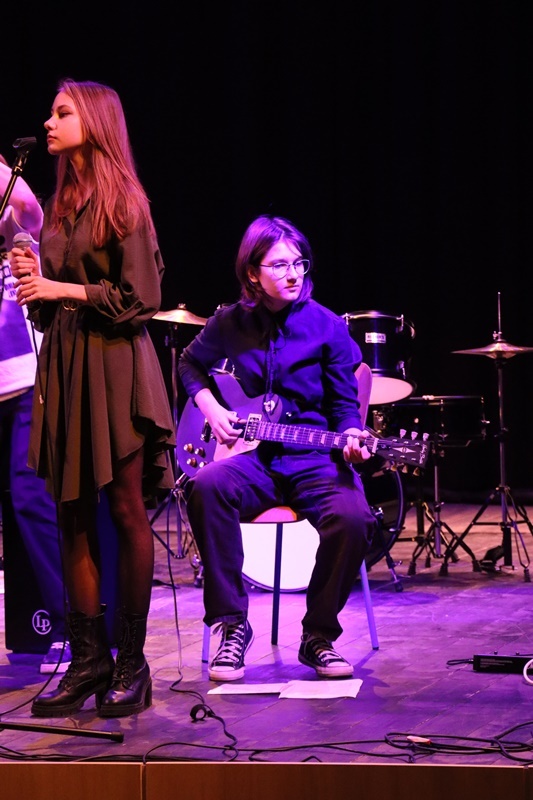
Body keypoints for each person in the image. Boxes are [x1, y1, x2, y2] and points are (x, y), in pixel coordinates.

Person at [10, 78, 175, 718]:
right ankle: (88, 663)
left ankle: (132, 664)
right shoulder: (60, 204)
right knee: (71, 514)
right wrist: (35, 282)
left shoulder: (125, 202)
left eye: (62, 113)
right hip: (67, 365)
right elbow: (51, 307)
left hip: (115, 366)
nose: (48, 123)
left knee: (126, 510)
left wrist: (62, 290)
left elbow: (141, 300)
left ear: (96, 122)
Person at [178, 214, 378, 681]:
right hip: (256, 459)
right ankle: (233, 626)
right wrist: (211, 408)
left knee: (354, 518)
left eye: (299, 263)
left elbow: (344, 404)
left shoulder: (327, 326)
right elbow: (190, 363)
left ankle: (318, 635)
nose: (293, 274)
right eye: (280, 265)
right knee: (206, 485)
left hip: (316, 460)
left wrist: (352, 437)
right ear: (253, 273)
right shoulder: (230, 321)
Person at [0, 154, 72, 674]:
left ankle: (72, 627)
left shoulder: (17, 225)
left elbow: (25, 202)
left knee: (32, 501)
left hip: (26, 380)